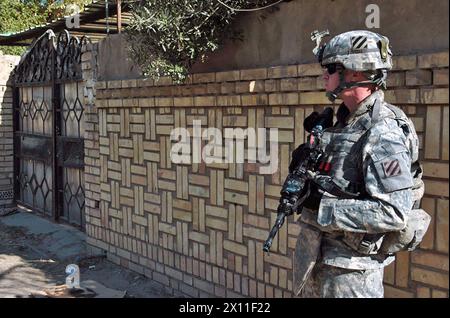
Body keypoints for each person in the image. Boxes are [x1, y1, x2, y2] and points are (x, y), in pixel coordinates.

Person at [291, 30, 429, 298]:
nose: (324, 75)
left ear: (355, 73)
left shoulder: (383, 132)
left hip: (351, 276)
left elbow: (392, 212)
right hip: (318, 263)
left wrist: (324, 208)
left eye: (331, 68)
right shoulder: (341, 122)